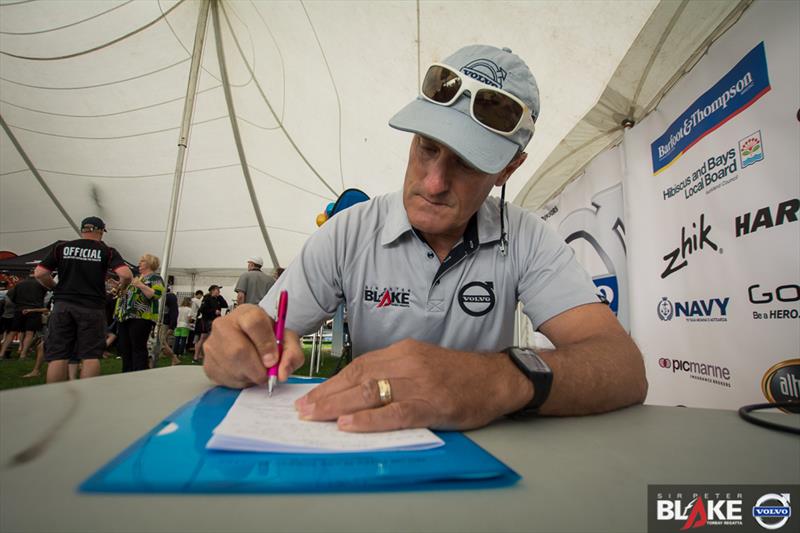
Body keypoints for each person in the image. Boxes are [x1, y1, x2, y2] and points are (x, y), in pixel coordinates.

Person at [203, 45, 647, 432]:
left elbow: (624, 368)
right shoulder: (350, 230)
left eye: (469, 163)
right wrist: (239, 348)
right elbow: (264, 336)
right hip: (369, 441)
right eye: (426, 148)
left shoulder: (526, 237)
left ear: (509, 168)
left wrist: (493, 379)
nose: (433, 183)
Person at [34, 216, 133, 382]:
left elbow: (40, 273)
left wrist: (54, 287)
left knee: (58, 355)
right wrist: (120, 288)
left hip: (63, 304)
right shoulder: (107, 251)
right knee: (90, 355)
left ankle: (53, 397)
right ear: (101, 231)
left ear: (83, 230)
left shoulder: (62, 247)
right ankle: (87, 397)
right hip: (92, 306)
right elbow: (126, 275)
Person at [114, 254, 164, 372]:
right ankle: (127, 372)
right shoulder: (137, 278)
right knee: (125, 347)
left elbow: (155, 294)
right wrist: (118, 287)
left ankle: (139, 373)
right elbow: (126, 295)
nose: (139, 263)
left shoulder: (154, 278)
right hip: (125, 316)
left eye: (143, 261)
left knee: (138, 347)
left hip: (141, 317)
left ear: (150, 264)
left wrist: (140, 285)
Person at [194, 285, 227, 363]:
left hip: (215, 320)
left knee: (207, 338)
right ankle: (197, 356)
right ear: (212, 290)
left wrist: (220, 297)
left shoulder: (218, 298)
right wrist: (214, 311)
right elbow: (202, 309)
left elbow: (225, 305)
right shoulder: (207, 298)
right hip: (207, 321)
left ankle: (203, 357)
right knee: (205, 338)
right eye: (217, 290)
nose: (219, 291)